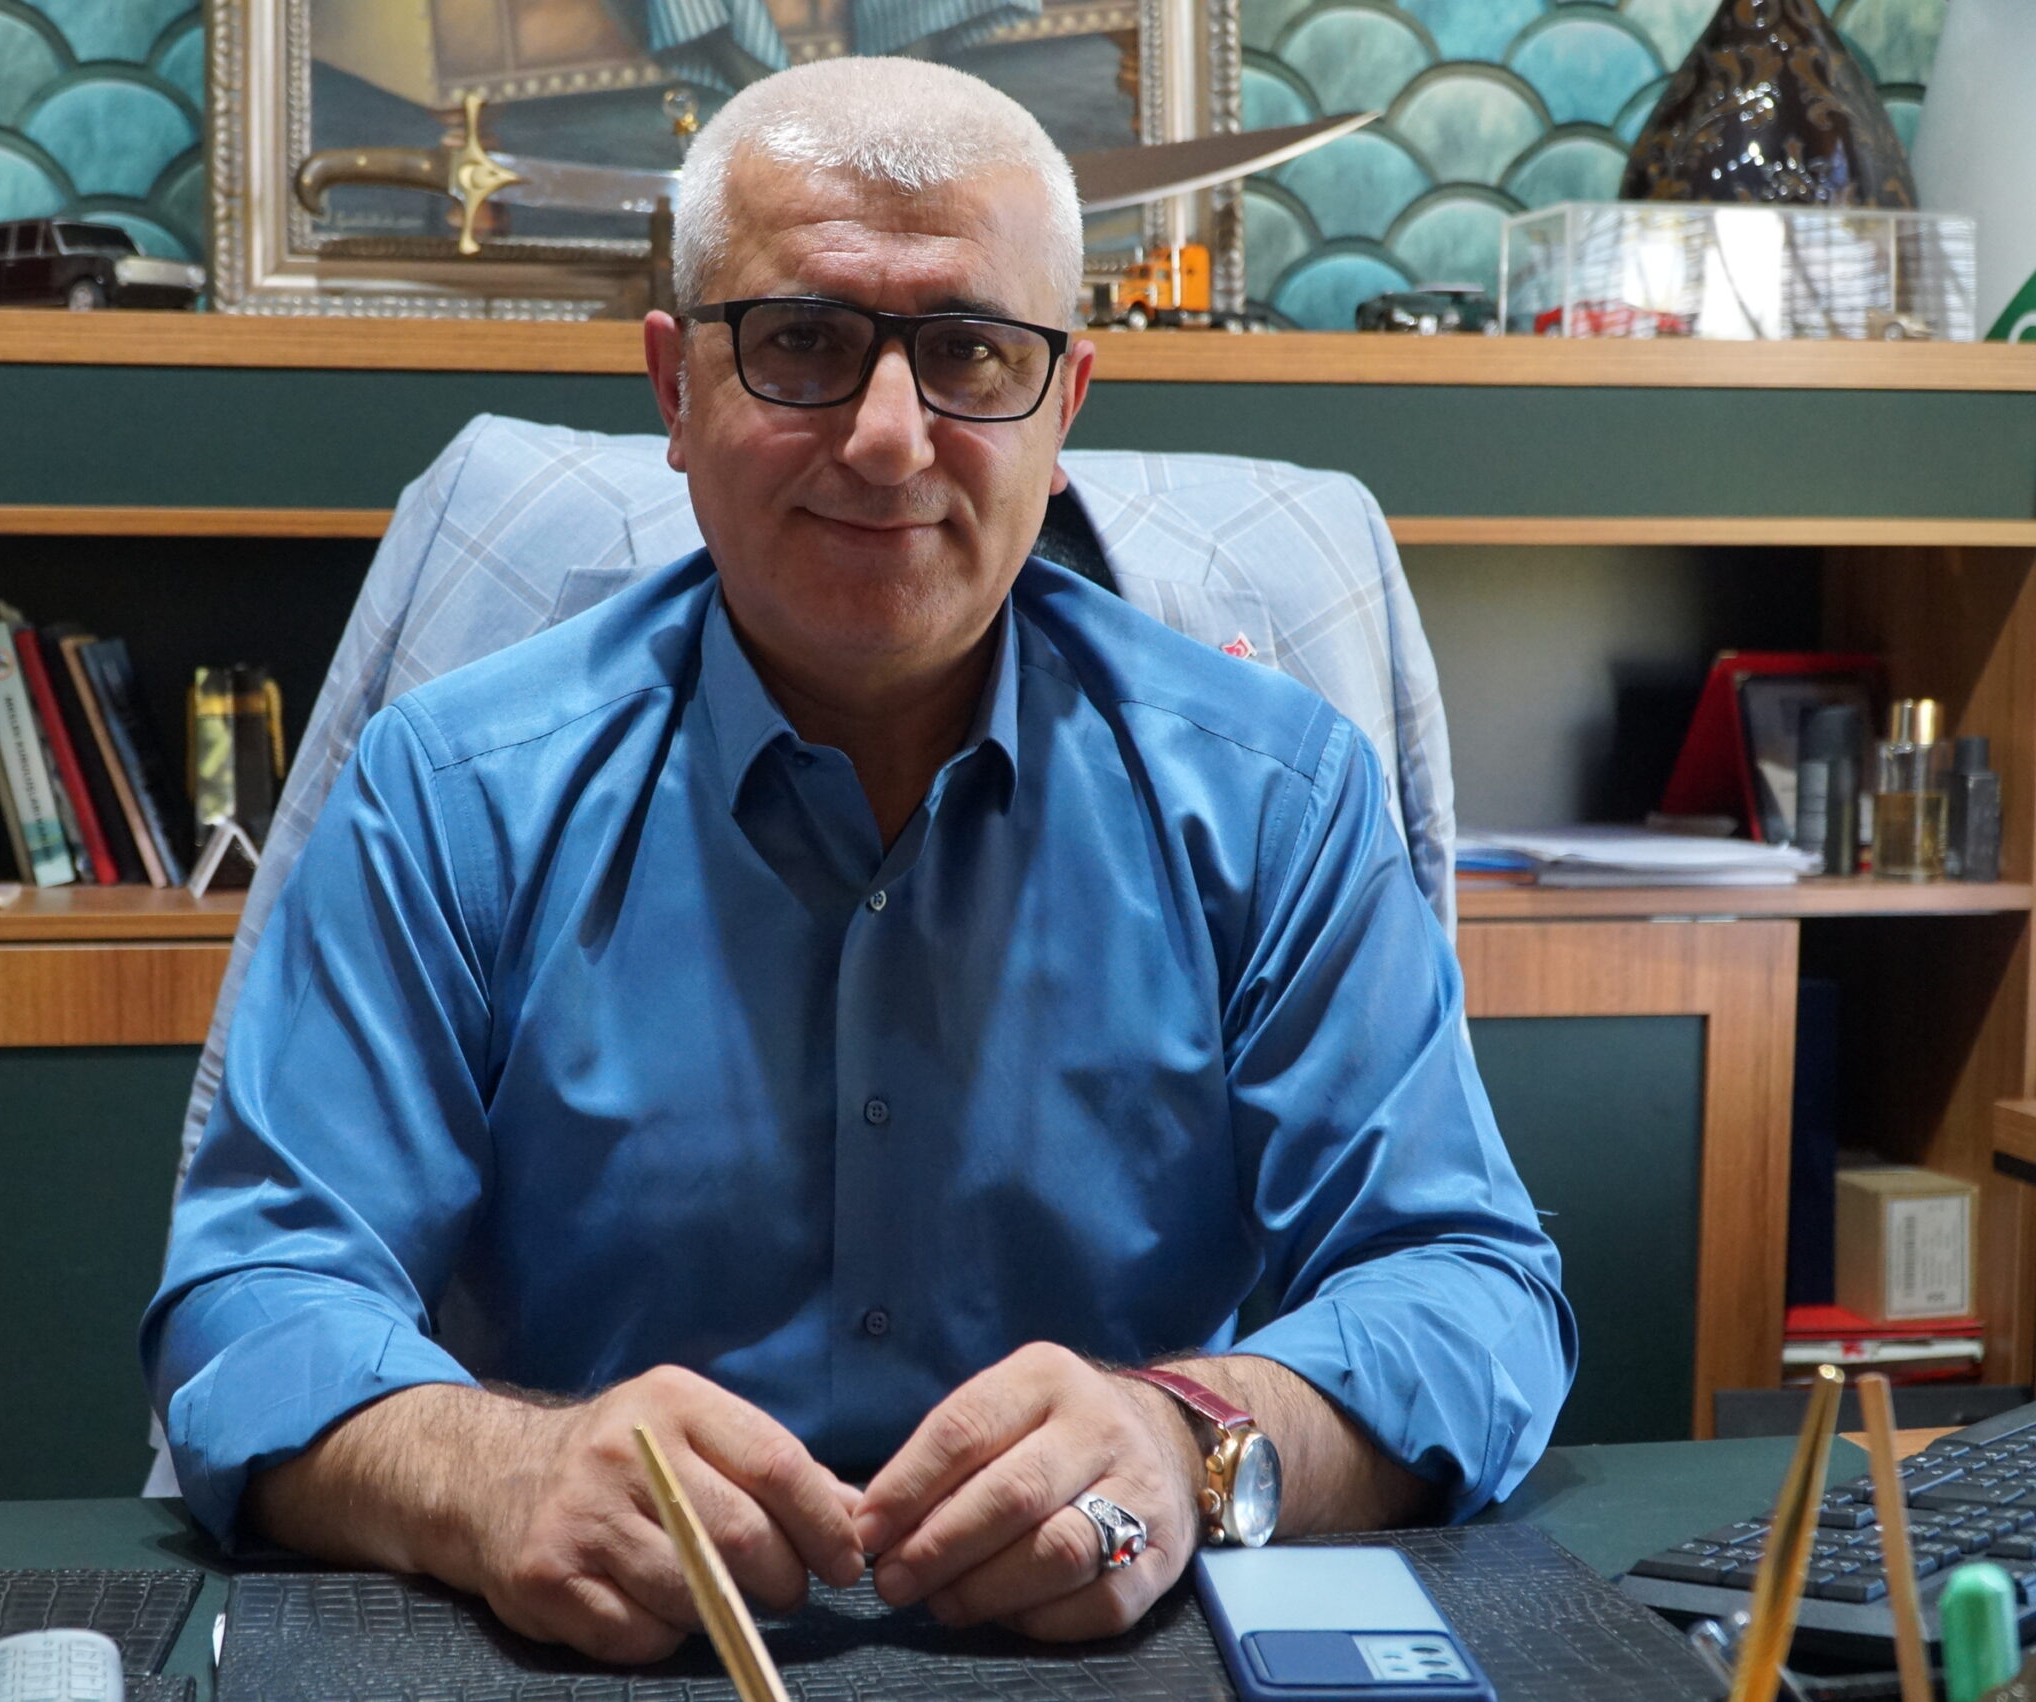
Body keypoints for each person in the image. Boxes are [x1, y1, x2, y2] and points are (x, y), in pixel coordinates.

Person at [143, 54, 1574, 1665]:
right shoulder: (450, 793)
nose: (890, 441)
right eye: (805, 342)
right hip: (615, 1657)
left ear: (1065, 406)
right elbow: (253, 1306)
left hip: (1122, 1653)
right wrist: (499, 1472)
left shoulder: (1275, 797)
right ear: (675, 389)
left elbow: (1469, 1291)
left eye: (970, 351)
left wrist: (1192, 1438)